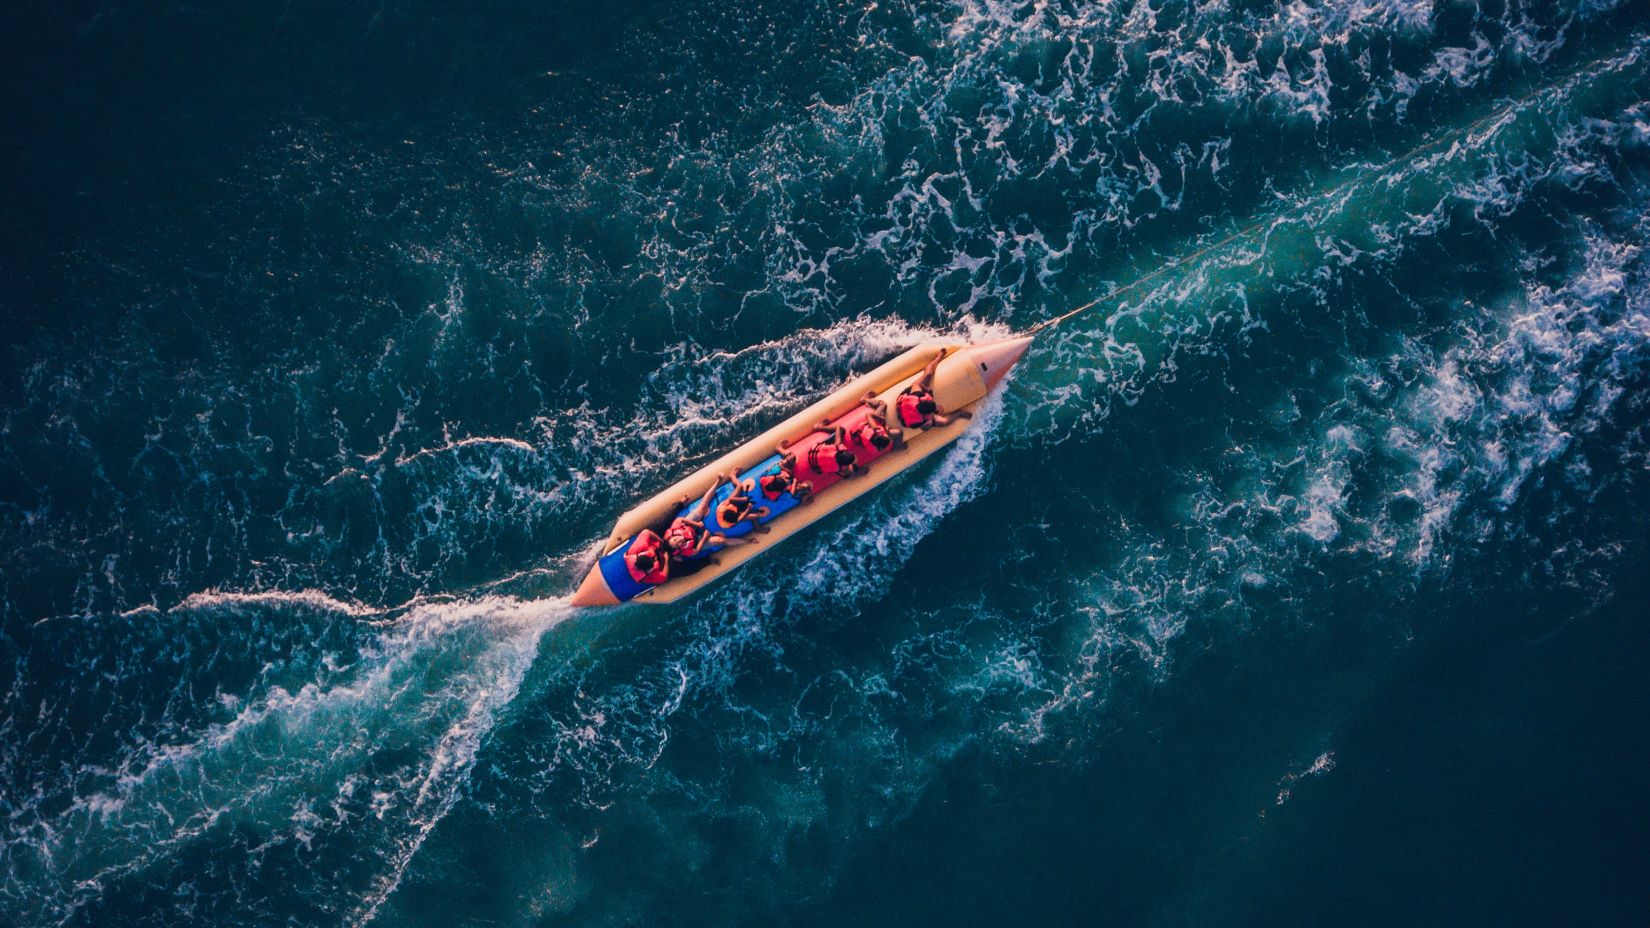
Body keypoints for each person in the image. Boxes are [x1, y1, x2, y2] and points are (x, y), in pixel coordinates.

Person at [665, 474, 748, 559]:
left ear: (672, 537)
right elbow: (696, 550)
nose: (679, 540)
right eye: (678, 544)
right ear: (678, 548)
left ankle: (718, 481)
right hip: (696, 540)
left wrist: (697, 524)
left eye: (675, 539)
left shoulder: (673, 530)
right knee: (720, 540)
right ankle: (747, 541)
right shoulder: (684, 551)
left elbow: (680, 519)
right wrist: (704, 538)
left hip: (688, 526)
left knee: (702, 508)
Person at [896, 347, 974, 430]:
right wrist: (929, 422)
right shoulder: (919, 418)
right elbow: (924, 428)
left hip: (905, 404)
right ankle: (959, 413)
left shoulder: (916, 394)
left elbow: (916, 384)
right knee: (943, 422)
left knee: (928, 374)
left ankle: (938, 357)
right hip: (905, 415)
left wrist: (927, 389)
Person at [718, 467, 772, 533]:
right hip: (730, 515)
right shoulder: (730, 523)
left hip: (729, 505)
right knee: (755, 516)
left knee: (740, 486)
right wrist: (748, 509)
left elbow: (730, 499)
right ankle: (758, 528)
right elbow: (741, 517)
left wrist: (742, 499)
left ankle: (732, 476)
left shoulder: (724, 507)